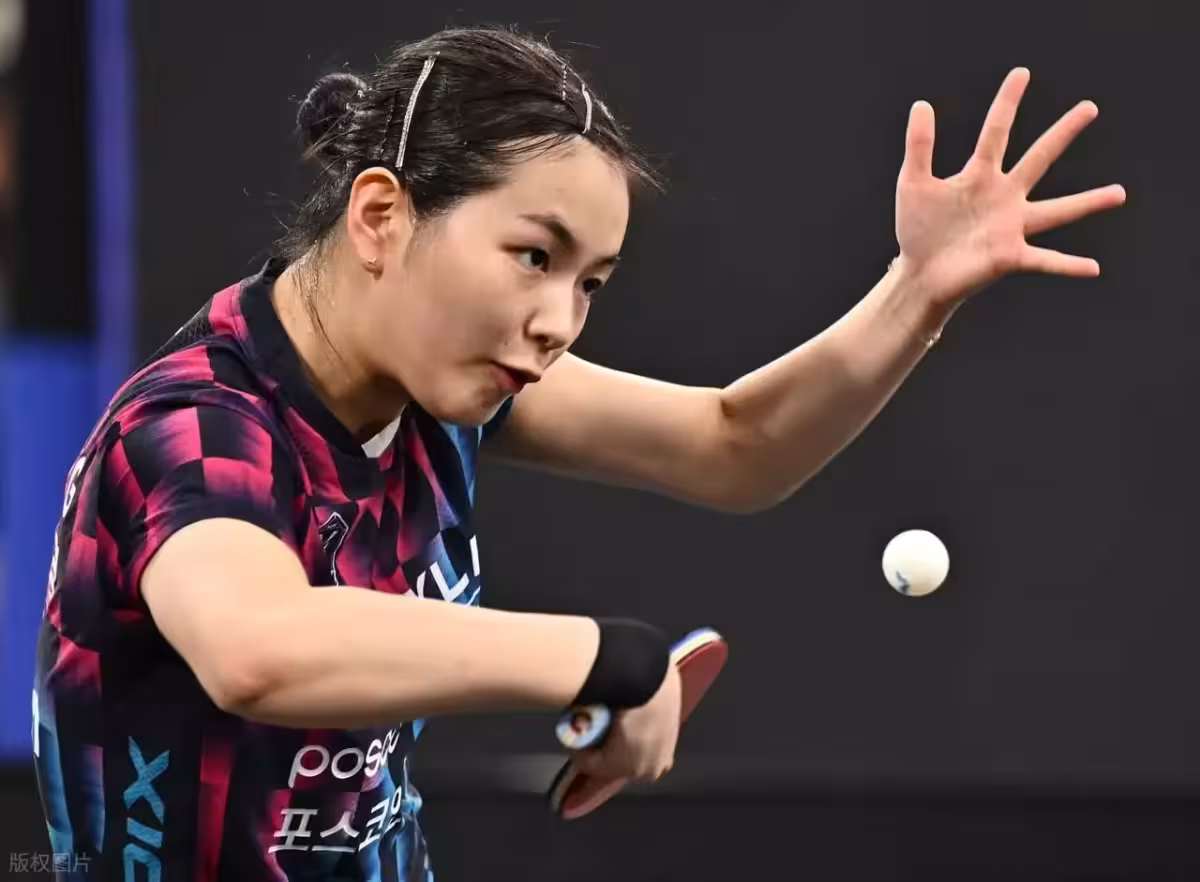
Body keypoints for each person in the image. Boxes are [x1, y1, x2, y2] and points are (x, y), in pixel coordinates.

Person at [31, 25, 1124, 882]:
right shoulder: (194, 431)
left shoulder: (438, 389)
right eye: (532, 256)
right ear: (379, 216)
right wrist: (604, 657)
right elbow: (260, 648)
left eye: (589, 282)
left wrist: (916, 292)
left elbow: (732, 444)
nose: (559, 320)